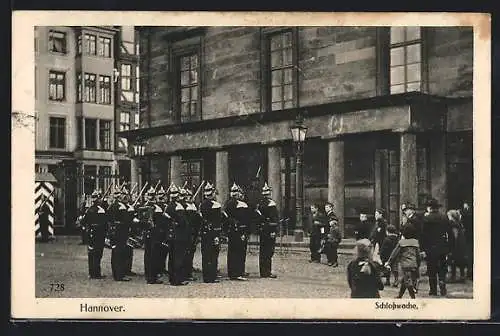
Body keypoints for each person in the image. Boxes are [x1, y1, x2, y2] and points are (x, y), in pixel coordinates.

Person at [421, 198, 453, 297]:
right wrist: (450, 248)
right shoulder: (444, 218)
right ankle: (442, 281)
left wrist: (422, 249)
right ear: (437, 208)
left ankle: (433, 290)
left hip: (430, 247)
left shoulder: (426, 219)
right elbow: (450, 234)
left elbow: (423, 235)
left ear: (429, 208)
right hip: (442, 246)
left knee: (431, 269)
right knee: (442, 267)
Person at [385, 225, 421, 299]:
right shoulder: (415, 242)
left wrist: (389, 262)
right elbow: (418, 255)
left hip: (405, 265)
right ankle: (400, 295)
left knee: (407, 282)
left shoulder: (401, 242)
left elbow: (394, 253)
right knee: (404, 280)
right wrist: (418, 264)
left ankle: (413, 297)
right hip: (414, 264)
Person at [224, 183, 250, 281]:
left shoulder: (241, 203)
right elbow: (229, 218)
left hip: (240, 230)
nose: (239, 194)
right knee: (236, 252)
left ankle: (239, 271)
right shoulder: (232, 203)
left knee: (240, 251)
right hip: (236, 231)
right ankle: (235, 273)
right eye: (237, 193)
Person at [165, 184, 190, 286]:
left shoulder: (169, 206)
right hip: (179, 234)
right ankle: (177, 279)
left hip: (172, 234)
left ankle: (172, 278)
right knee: (178, 257)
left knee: (172, 257)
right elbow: (183, 221)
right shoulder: (178, 206)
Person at [199, 182, 223, 283]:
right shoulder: (216, 205)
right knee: (213, 255)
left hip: (205, 233)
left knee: (206, 255)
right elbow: (217, 221)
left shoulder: (202, 205)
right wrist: (217, 235)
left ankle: (207, 276)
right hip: (213, 233)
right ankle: (212, 276)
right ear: (212, 194)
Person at [80, 190, 107, 279]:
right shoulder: (101, 210)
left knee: (91, 253)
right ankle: (96, 273)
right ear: (98, 199)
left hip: (91, 233)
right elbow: (104, 223)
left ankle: (91, 272)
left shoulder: (89, 210)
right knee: (98, 254)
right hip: (99, 234)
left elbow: (83, 221)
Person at [107, 186, 131, 282]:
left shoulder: (112, 206)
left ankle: (116, 273)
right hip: (121, 231)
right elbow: (126, 220)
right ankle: (120, 275)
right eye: (122, 195)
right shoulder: (121, 207)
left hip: (114, 231)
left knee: (115, 252)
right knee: (120, 253)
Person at [141, 186, 163, 284]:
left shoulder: (144, 206)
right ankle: (152, 277)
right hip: (154, 233)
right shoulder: (153, 207)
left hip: (148, 232)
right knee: (153, 255)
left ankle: (149, 275)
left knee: (149, 255)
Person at [256, 182, 279, 278]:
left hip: (262, 229)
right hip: (269, 229)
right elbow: (274, 219)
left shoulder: (260, 203)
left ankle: (263, 272)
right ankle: (267, 271)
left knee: (263, 251)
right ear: (269, 193)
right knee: (269, 251)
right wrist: (274, 231)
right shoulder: (271, 204)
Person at [181, 187, 202, 281]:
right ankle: (186, 273)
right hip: (187, 232)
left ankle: (189, 269)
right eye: (187, 196)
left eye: (190, 196)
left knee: (191, 252)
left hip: (194, 231)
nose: (189, 197)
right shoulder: (185, 206)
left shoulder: (193, 205)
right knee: (186, 253)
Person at [447, 209, 467, 283]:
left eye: (448, 215)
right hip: (461, 244)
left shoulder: (453, 224)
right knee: (460, 260)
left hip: (456, 245)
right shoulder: (459, 223)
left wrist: (453, 246)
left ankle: (454, 277)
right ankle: (461, 276)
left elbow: (455, 236)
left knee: (454, 261)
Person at [324, 202, 341, 267]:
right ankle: (330, 260)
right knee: (328, 249)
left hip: (332, 235)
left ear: (331, 208)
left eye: (327, 207)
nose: (326, 209)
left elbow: (335, 227)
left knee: (333, 250)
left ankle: (334, 261)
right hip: (327, 234)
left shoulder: (332, 215)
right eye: (325, 207)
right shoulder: (327, 215)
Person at [460, 201, 473, 280]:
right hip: (470, 237)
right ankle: (469, 272)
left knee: (469, 255)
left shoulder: (466, 215)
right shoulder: (468, 214)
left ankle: (469, 272)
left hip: (468, 237)